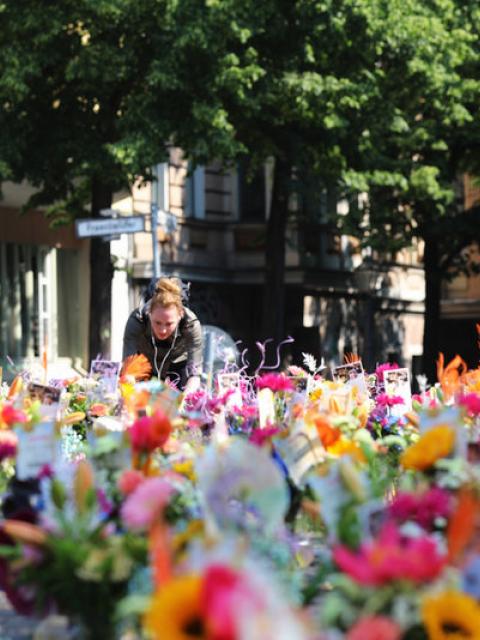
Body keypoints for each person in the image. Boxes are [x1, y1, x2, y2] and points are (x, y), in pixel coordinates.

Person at [122, 277, 203, 393]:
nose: (163, 330)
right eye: (157, 322)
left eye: (169, 324)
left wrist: (185, 398)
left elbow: (194, 375)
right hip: (145, 362)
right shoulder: (137, 320)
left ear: (180, 315)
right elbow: (128, 369)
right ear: (149, 313)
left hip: (177, 364)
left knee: (178, 403)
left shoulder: (191, 324)